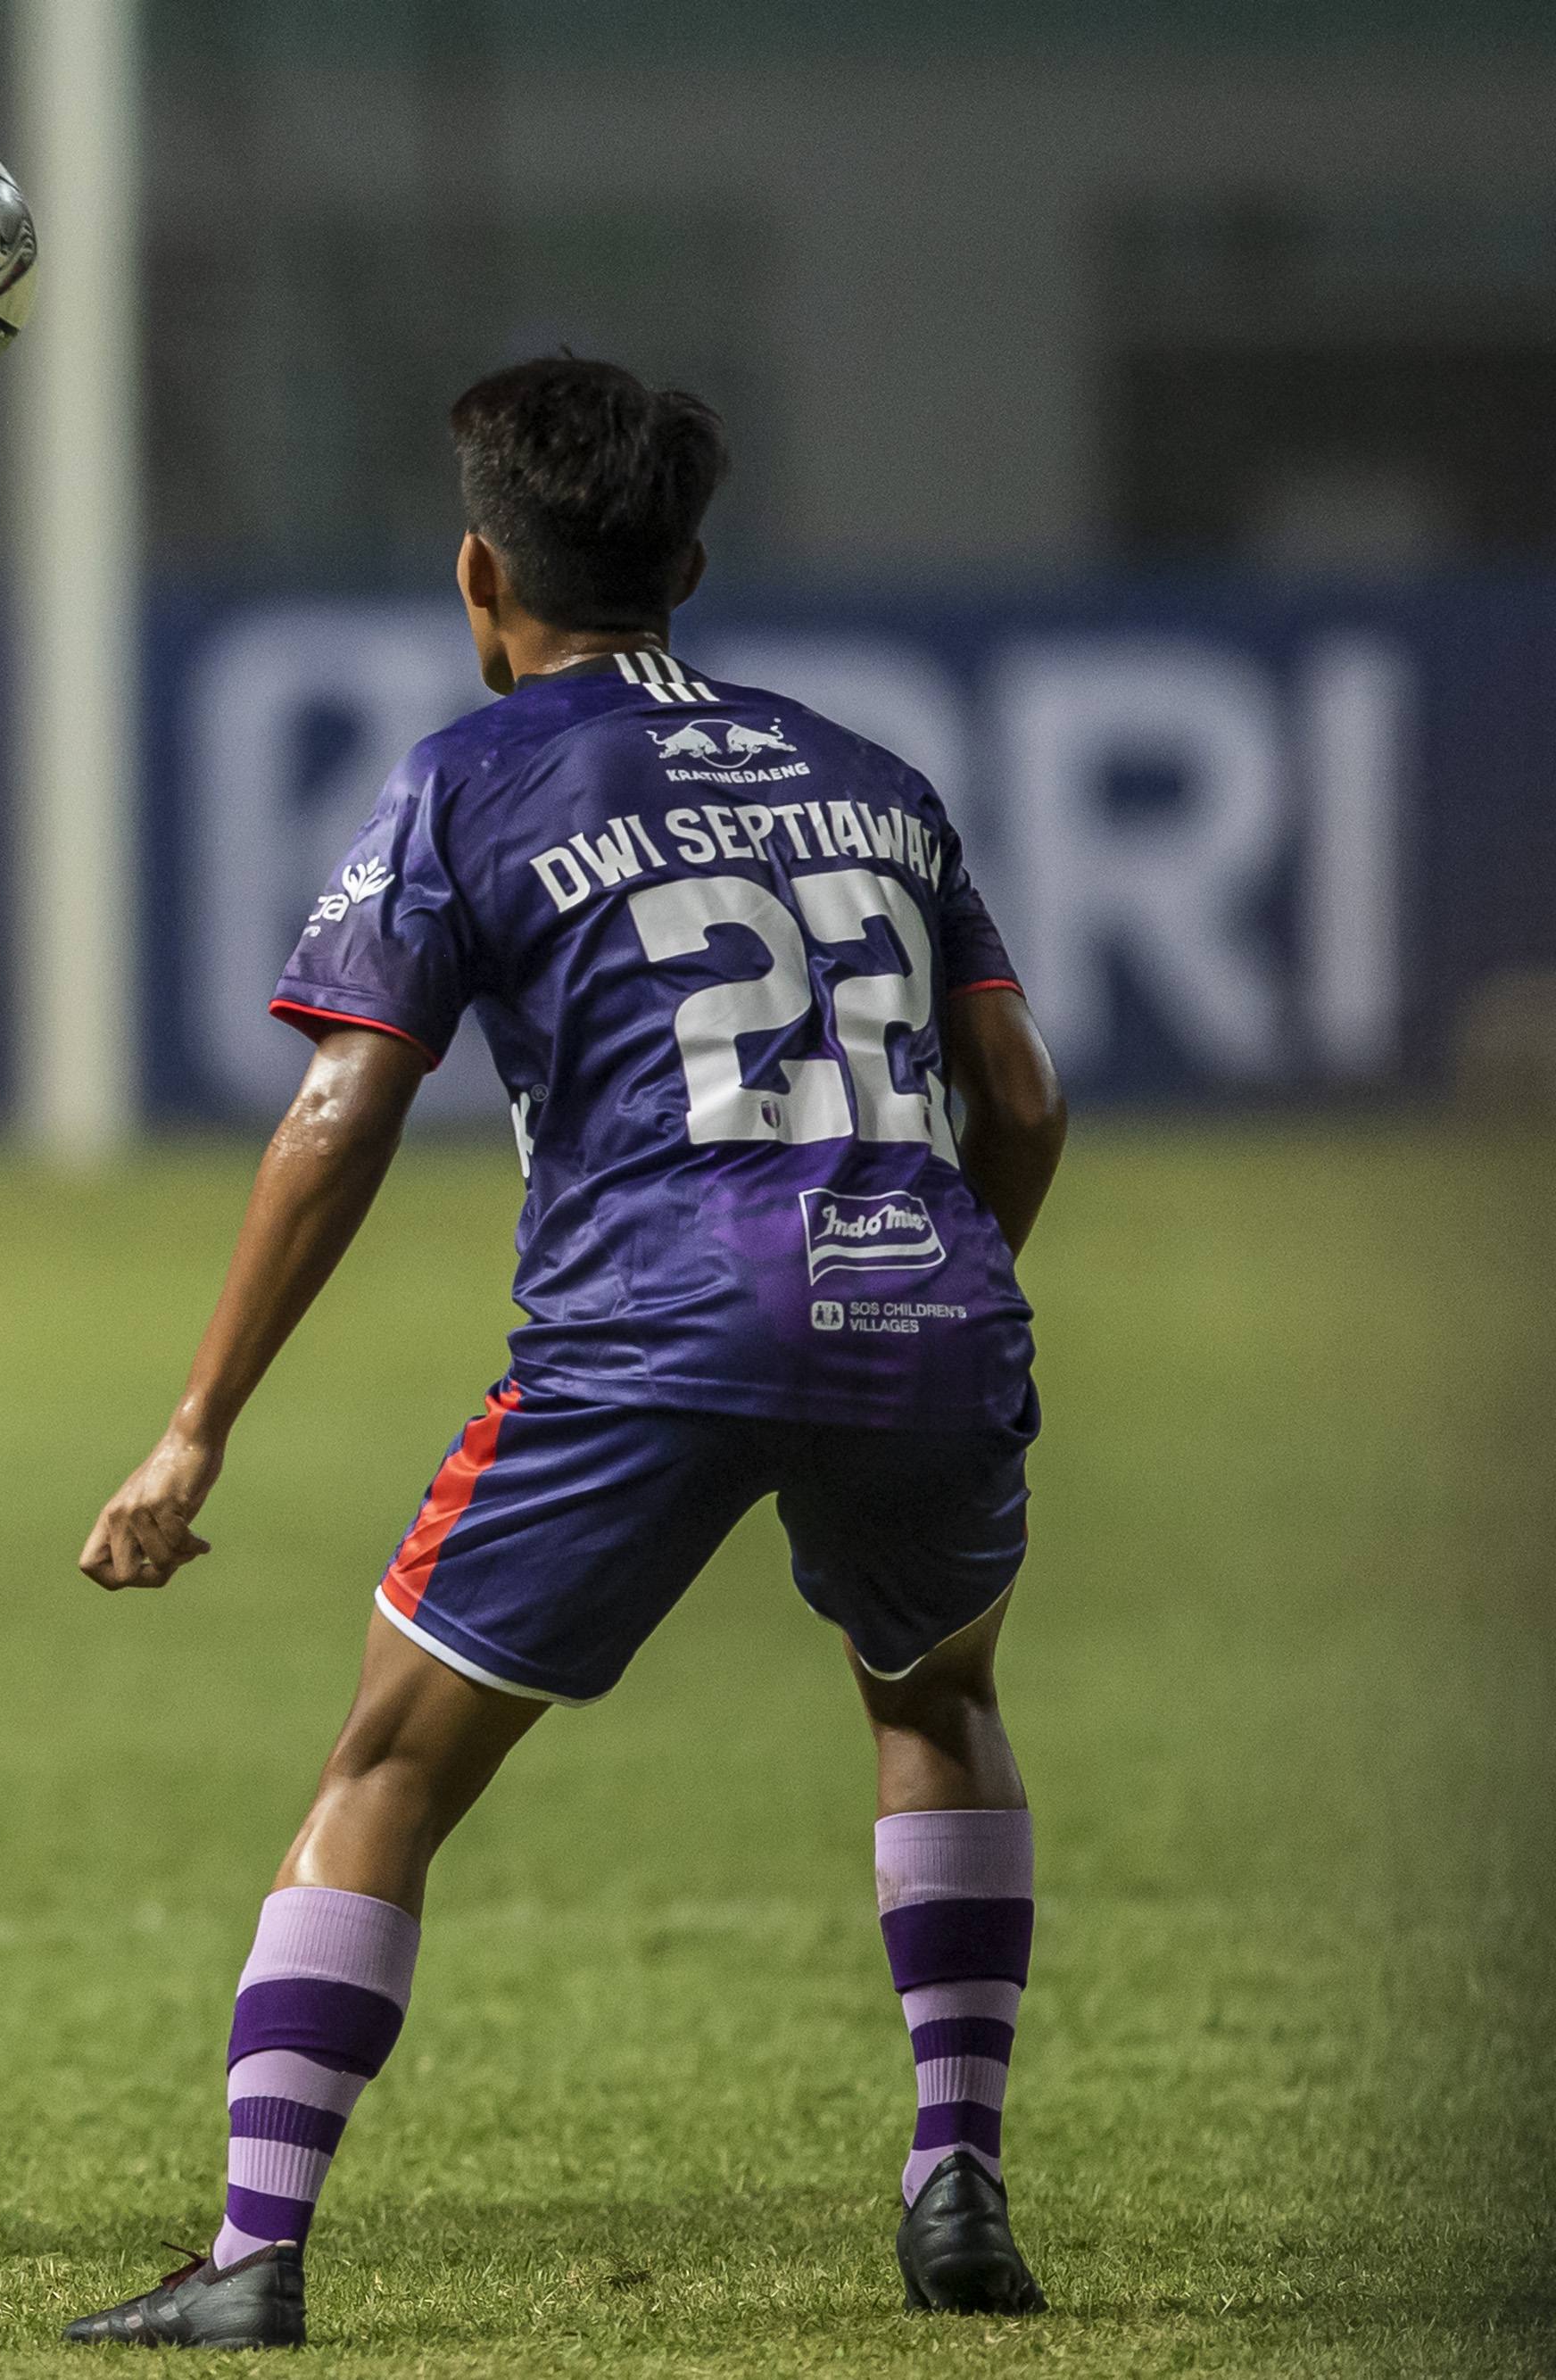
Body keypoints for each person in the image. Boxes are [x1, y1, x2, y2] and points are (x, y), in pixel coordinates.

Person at [60, 356, 1068, 2350]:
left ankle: (254, 2250)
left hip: (649, 1326)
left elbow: (340, 1112)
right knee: (933, 1690)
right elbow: (1015, 1094)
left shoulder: (467, 778)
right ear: (686, 562)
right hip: (926, 1307)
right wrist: (916, 1281)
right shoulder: (868, 771)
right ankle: (953, 2160)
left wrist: (192, 1429)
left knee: (385, 1767)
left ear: (474, 575)